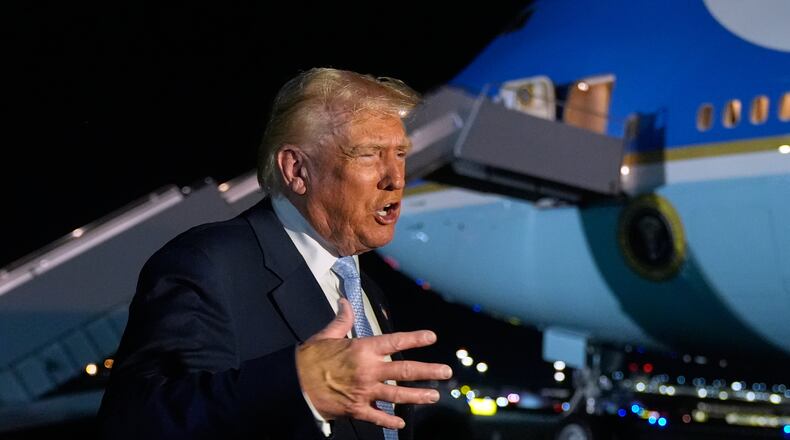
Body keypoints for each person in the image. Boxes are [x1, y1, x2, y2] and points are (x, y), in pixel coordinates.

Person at [97, 67, 453, 440]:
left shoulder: (365, 290)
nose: (395, 177)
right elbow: (138, 424)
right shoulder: (209, 264)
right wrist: (300, 388)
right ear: (296, 169)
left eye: (399, 154)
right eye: (368, 154)